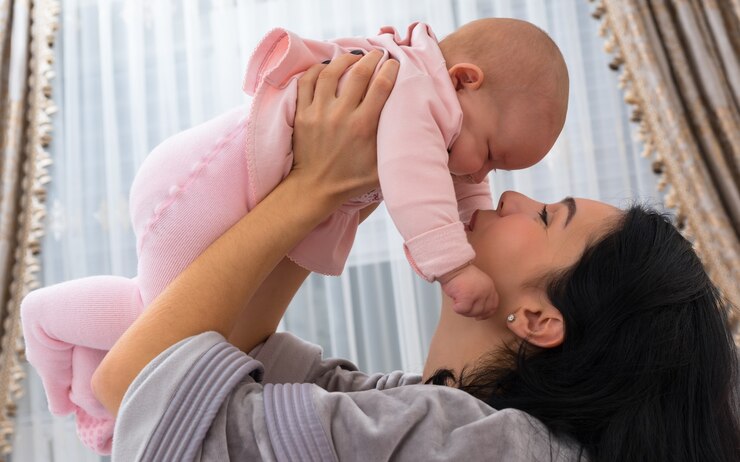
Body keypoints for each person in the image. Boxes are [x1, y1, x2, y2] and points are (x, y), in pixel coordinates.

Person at [90, 53, 739, 461]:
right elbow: (234, 359)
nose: (511, 195)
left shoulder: (481, 443)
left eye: (546, 217)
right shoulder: (438, 415)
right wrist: (340, 190)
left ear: (541, 319)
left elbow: (142, 395)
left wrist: (316, 188)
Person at [21, 18, 569, 453]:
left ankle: (78, 383)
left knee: (165, 329)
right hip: (201, 181)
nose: (488, 183)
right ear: (463, 80)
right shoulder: (416, 90)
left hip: (230, 183)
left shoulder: (448, 120)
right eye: (494, 156)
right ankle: (49, 335)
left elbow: (456, 190)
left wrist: (328, 191)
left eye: (540, 215)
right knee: (155, 319)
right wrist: (452, 265)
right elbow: (419, 185)